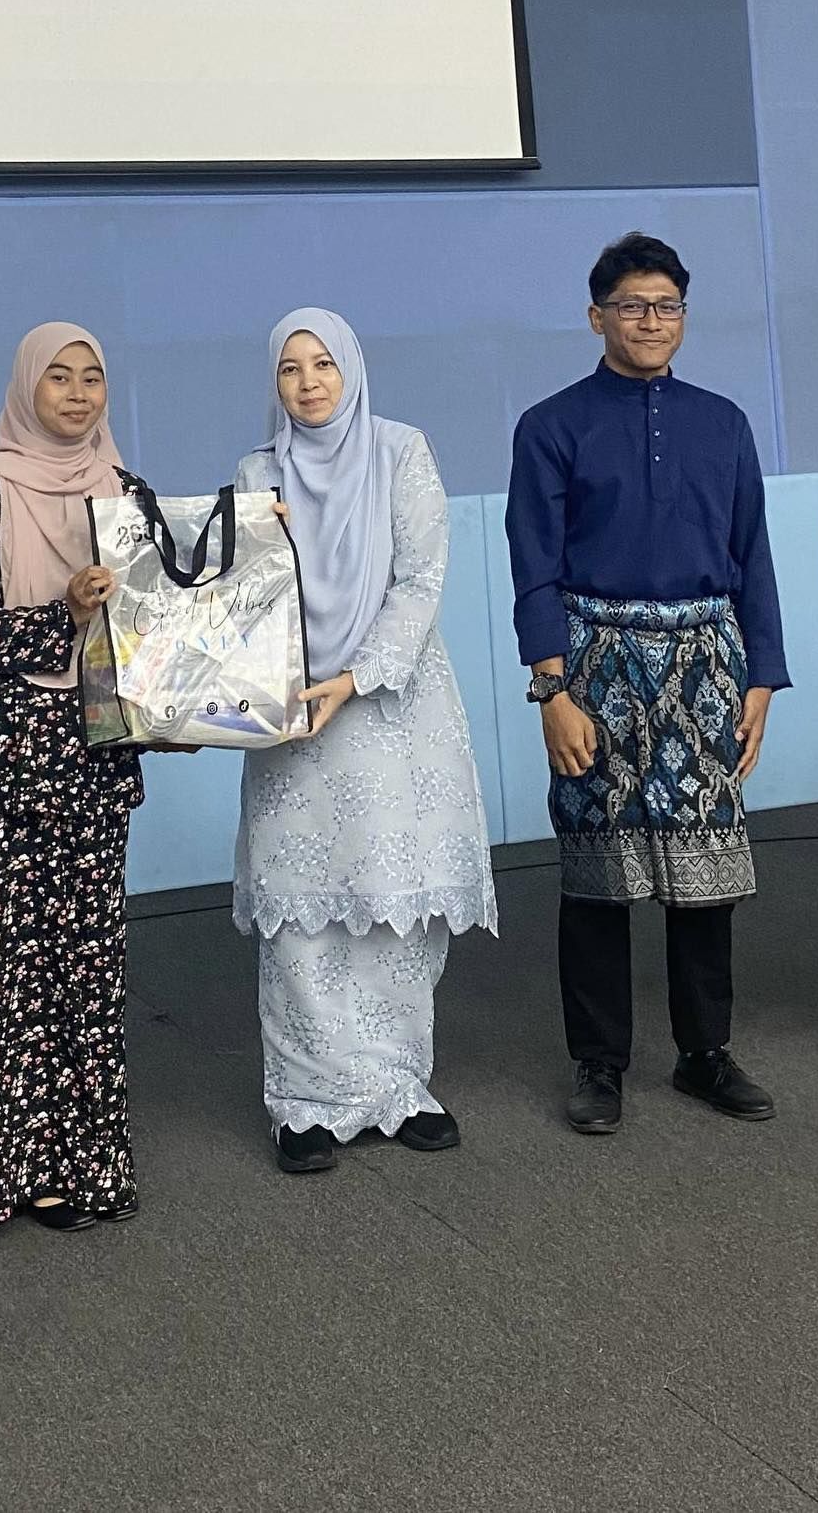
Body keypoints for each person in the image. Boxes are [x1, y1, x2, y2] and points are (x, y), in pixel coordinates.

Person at [505, 232, 791, 1134]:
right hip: (594, 667)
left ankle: (705, 1052)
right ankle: (598, 1062)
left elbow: (752, 556)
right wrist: (550, 692)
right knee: (595, 873)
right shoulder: (550, 424)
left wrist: (762, 677)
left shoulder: (724, 422)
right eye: (632, 306)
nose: (651, 321)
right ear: (596, 316)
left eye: (667, 306)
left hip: (706, 662)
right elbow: (533, 568)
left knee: (706, 872)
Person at [233, 308, 496, 1172]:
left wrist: (355, 676)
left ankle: (398, 1086)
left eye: (323, 364)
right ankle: (303, 1101)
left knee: (393, 901)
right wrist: (255, 542)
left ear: (350, 370)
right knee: (300, 908)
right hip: (292, 710)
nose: (308, 382)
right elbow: (237, 597)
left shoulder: (398, 451)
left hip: (390, 709)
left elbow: (419, 579)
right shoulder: (258, 471)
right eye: (290, 368)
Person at [0, 323, 146, 1232]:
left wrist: (262, 544)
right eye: (59, 377)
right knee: (6, 965)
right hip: (7, 766)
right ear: (27, 388)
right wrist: (59, 615)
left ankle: (84, 1164)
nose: (78, 393)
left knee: (85, 967)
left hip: (93, 758)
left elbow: (168, 612)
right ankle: (4, 1170)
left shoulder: (124, 492)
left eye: (93, 377)